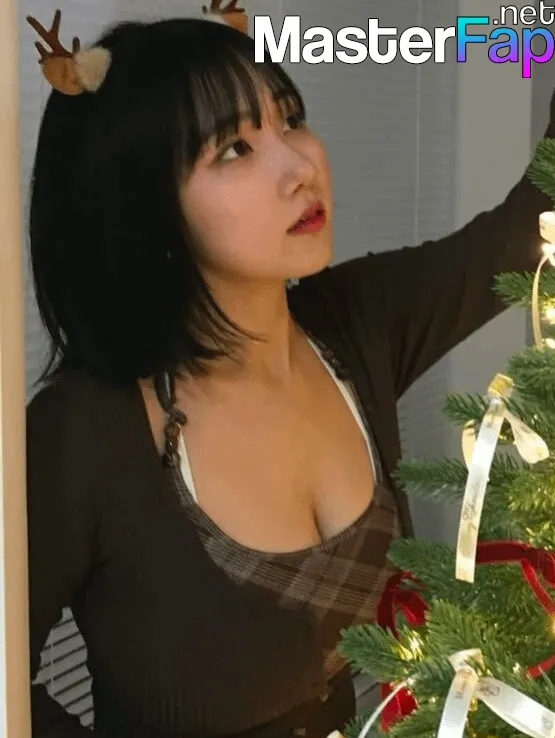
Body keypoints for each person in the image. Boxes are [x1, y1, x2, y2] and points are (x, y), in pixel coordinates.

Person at [24, 2, 554, 737]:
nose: (301, 167)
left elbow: (526, 225)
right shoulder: (81, 431)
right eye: (233, 149)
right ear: (142, 203)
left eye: (290, 119)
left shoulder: (353, 324)